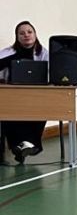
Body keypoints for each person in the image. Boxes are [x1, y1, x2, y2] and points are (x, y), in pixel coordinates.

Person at [0, 21, 50, 163]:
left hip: (36, 95)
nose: (26, 35)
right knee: (7, 109)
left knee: (44, 107)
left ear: (35, 34)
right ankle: (22, 146)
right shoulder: (7, 53)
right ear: (17, 37)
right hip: (12, 95)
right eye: (21, 33)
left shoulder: (44, 53)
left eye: (29, 32)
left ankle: (24, 145)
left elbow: (52, 74)